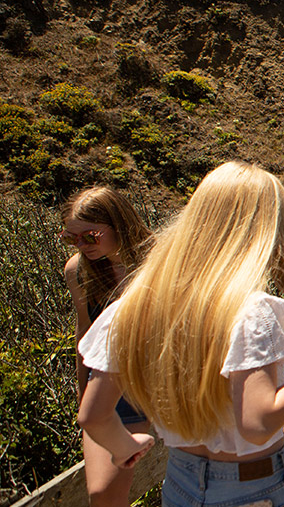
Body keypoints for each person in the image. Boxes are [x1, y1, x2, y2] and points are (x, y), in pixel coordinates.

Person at [77, 162, 284, 507]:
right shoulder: (253, 311)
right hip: (256, 485)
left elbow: (93, 416)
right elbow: (257, 423)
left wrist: (125, 448)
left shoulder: (130, 308)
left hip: (180, 484)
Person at [61, 188, 153, 507]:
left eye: (90, 236)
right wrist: (83, 396)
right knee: (102, 495)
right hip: (112, 391)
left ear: (119, 225)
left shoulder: (159, 260)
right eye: (72, 239)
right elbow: (84, 332)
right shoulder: (79, 271)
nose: (82, 247)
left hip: (156, 384)